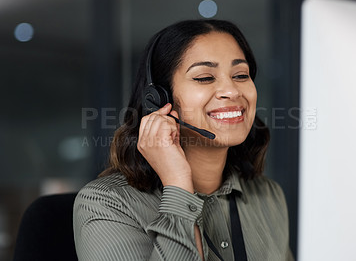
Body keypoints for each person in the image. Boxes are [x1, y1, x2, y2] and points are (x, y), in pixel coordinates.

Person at [73, 19, 293, 261]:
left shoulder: (268, 195)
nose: (232, 91)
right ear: (158, 99)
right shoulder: (107, 203)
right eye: (204, 77)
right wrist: (177, 184)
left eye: (241, 74)